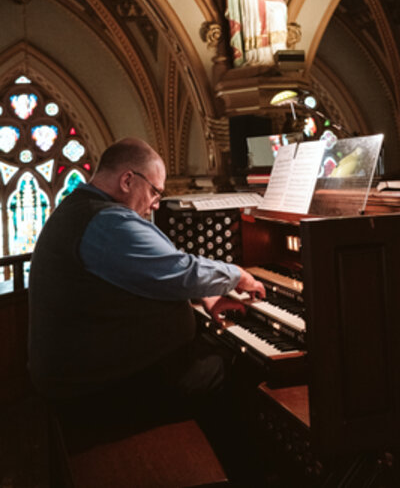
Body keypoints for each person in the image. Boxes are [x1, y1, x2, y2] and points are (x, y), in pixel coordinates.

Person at [28, 137, 266, 478]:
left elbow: (154, 269)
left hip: (81, 376)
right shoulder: (107, 222)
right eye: (155, 191)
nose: (155, 204)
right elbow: (178, 271)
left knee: (213, 353)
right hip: (96, 392)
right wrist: (237, 275)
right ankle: (248, 475)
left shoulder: (83, 210)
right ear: (128, 180)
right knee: (231, 367)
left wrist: (205, 295)